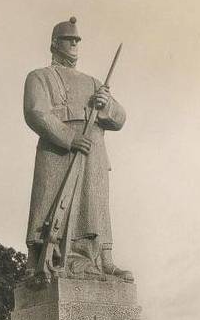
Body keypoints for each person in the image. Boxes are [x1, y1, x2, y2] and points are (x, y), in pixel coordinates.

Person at [23, 16, 132, 281]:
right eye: (68, 39)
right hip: (57, 151)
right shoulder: (39, 77)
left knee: (95, 205)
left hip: (92, 151)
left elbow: (119, 118)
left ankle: (102, 259)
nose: (73, 44)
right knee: (49, 207)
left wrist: (105, 104)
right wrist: (68, 138)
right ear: (54, 44)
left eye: (76, 40)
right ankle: (41, 262)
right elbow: (36, 112)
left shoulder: (94, 82)